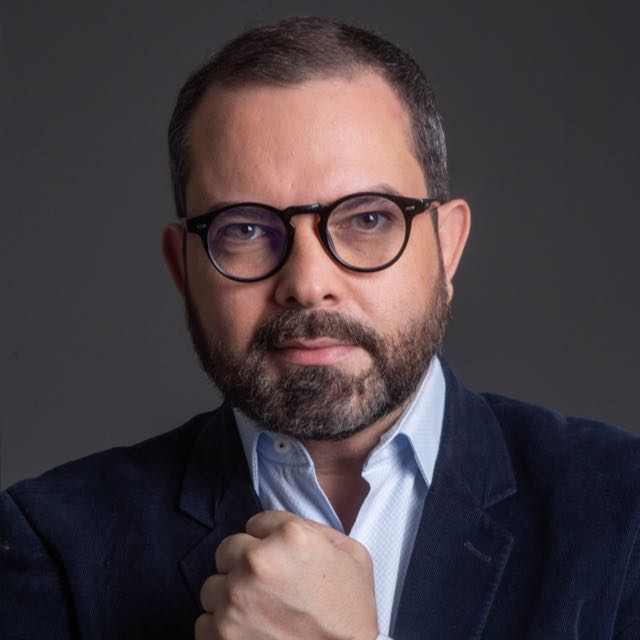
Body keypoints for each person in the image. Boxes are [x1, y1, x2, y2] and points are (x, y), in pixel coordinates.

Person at [1, 15, 639, 640]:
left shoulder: (623, 511)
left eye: (367, 220)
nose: (307, 283)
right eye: (244, 229)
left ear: (448, 248)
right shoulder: (53, 545)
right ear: (183, 267)